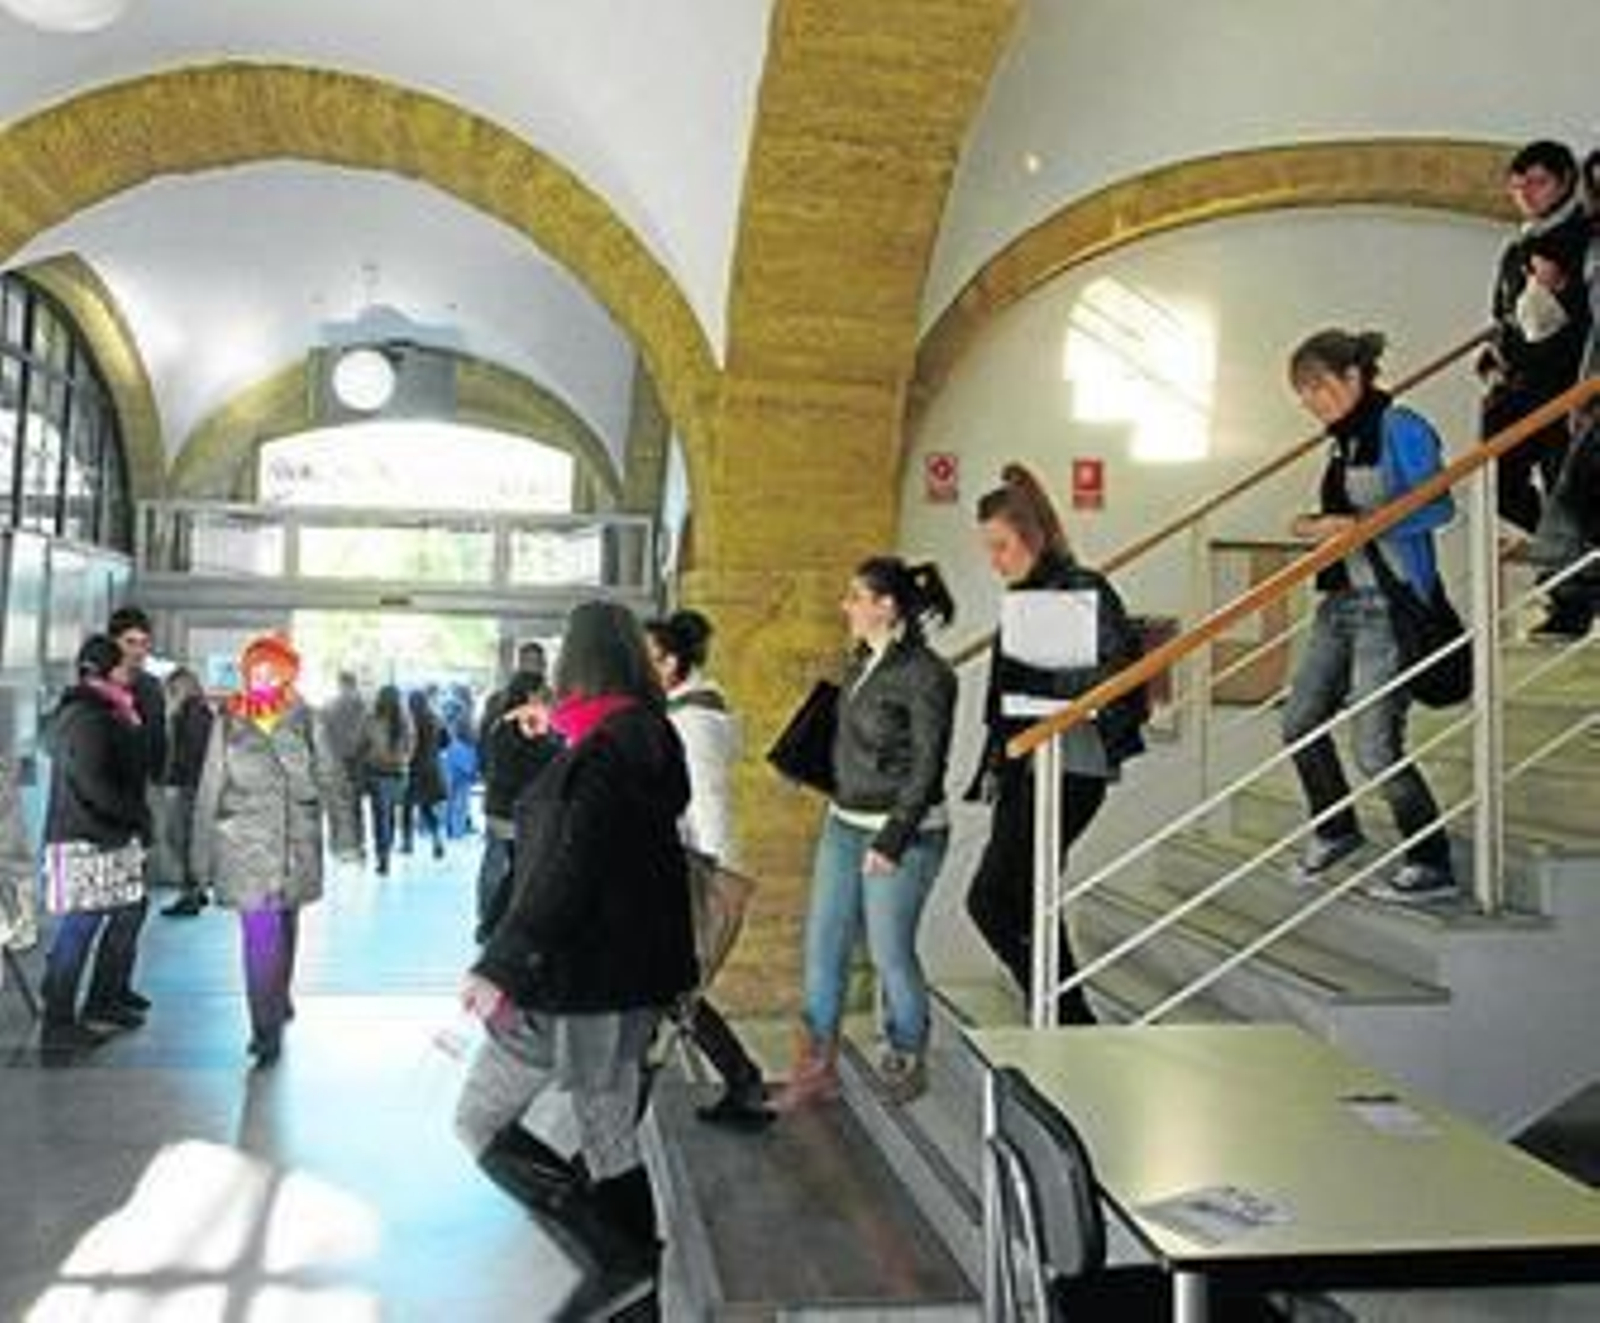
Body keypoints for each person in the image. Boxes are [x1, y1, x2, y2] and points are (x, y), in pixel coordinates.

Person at [454, 600, 695, 1320]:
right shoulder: (644, 737)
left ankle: (618, 1263)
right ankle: (637, 1302)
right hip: (628, 978)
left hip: (581, 980)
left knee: (480, 1118)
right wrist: (559, 729)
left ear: (578, 663)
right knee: (609, 1137)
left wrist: (499, 965)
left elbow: (568, 869)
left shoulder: (602, 755)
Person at [963, 465, 1146, 1027]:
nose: (994, 561)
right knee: (1024, 898)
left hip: (1072, 765)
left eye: (1001, 546)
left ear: (1033, 537)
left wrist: (1054, 693)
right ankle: (1067, 1015)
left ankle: (1067, 1013)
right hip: (1027, 765)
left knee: (994, 898)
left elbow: (1120, 675)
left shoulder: (1084, 589)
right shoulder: (1025, 596)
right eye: (989, 548)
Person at [1282, 329, 1457, 904]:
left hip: (1390, 602)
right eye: (1304, 394)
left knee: (1375, 748)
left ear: (1354, 377)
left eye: (1320, 388)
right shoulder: (1342, 441)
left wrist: (1362, 527)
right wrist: (1314, 525)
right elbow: (1339, 517)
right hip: (1340, 601)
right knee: (1299, 721)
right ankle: (1336, 828)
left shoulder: (1401, 426)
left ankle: (1430, 860)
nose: (1313, 403)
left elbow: (1439, 505)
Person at [776, 557, 956, 1111]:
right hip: (845, 821)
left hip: (905, 832)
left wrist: (893, 839)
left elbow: (928, 766)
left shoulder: (928, 675)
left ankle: (906, 1053)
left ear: (887, 605)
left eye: (856, 597)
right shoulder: (862, 662)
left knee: (889, 951)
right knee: (823, 946)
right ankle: (814, 1069)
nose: (846, 606)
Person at [643, 609, 772, 1129]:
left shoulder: (692, 722)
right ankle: (743, 1083)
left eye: (646, 658)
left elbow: (708, 799)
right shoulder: (692, 710)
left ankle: (740, 1083)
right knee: (674, 989)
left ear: (671, 663)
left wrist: (715, 879)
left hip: (703, 868)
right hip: (699, 864)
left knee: (670, 989)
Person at [190, 634, 330, 1066]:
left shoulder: (306, 718)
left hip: (294, 843)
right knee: (260, 934)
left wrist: (347, 836)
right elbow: (210, 786)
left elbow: (330, 776)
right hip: (244, 846)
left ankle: (278, 996)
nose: (260, 678)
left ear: (287, 674)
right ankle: (263, 1028)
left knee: (286, 923)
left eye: (270, 670)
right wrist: (199, 858)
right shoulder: (228, 721)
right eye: (254, 671)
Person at [38, 634, 152, 1053]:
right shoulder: (88, 716)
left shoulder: (105, 710)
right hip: (88, 836)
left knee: (127, 909)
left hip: (104, 833)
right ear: (106, 670)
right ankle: (58, 1024)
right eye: (123, 664)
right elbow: (93, 783)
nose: (131, 669)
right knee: (80, 926)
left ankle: (103, 999)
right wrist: (134, 815)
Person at [1477, 140, 1592, 540]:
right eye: (1517, 186)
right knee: (1497, 482)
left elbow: (1578, 320)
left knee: (1568, 486)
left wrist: (1560, 289)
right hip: (1519, 387)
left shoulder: (1584, 239)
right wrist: (1494, 357)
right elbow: (1503, 316)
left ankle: (1570, 555)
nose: (1525, 194)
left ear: (1565, 181)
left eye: (1538, 183)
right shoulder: (1518, 248)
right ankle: (1558, 547)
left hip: (1567, 386)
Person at [105, 605, 166, 1014]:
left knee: (133, 904)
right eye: (130, 642)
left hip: (137, 803)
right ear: (115, 643)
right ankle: (92, 998)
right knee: (103, 911)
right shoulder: (97, 688)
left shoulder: (149, 688)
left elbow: (157, 742)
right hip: (104, 810)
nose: (138, 651)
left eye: (144, 644)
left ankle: (114, 988)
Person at [475, 669, 562, 942]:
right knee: (519, 869)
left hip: (499, 805)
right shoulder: (524, 722)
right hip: (517, 808)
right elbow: (536, 761)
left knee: (502, 865)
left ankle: (489, 921)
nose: (546, 698)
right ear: (529, 694)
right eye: (541, 692)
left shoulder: (501, 720)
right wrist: (551, 744)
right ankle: (492, 924)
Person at [159, 667, 215, 916]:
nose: (171, 693)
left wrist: (174, 781)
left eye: (174, 688)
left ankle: (190, 894)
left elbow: (189, 753)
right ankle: (196, 890)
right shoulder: (199, 710)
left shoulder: (191, 711)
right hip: (193, 785)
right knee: (186, 840)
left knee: (179, 839)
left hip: (187, 786)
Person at [360, 683, 414, 875]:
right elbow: (411, 746)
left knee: (380, 816)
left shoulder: (371, 718)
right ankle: (387, 849)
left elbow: (363, 743)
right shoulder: (405, 720)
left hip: (377, 772)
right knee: (389, 813)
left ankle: (383, 856)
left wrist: (367, 758)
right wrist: (404, 760)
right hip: (399, 774)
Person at [320, 670, 370, 861]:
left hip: (335, 762)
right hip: (358, 763)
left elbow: (321, 735)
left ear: (340, 684)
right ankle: (358, 844)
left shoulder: (329, 706)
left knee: (336, 805)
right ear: (354, 683)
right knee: (355, 805)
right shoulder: (364, 706)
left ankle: (337, 846)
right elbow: (369, 735)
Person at [402, 688, 447, 860]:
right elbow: (446, 741)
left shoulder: (409, 720)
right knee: (426, 808)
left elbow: (406, 744)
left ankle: (407, 843)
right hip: (432, 769)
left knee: (407, 807)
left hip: (413, 769)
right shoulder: (435, 719)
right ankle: (436, 839)